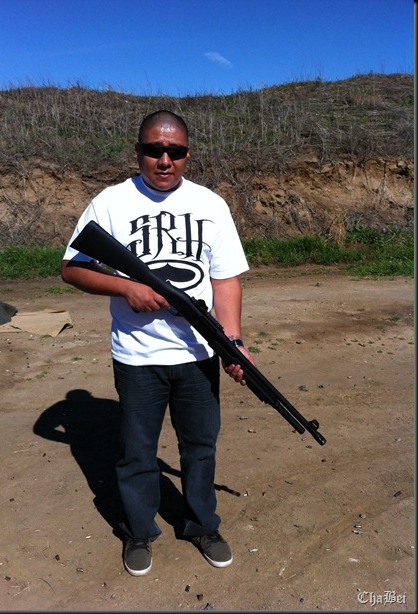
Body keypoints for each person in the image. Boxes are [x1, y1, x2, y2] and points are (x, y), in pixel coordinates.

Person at [61, 110, 254, 576]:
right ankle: (138, 531)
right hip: (137, 356)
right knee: (136, 454)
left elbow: (225, 279)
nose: (164, 160)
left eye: (175, 151)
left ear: (188, 153)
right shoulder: (110, 203)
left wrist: (233, 341)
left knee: (200, 447)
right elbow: (72, 268)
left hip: (199, 353)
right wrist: (125, 287)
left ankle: (202, 524)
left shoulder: (211, 204)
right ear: (138, 151)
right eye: (154, 150)